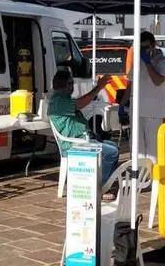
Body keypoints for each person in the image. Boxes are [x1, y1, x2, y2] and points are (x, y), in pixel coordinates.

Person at [49, 70, 120, 199]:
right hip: (75, 144)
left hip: (83, 140)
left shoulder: (63, 99)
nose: (73, 86)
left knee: (113, 146)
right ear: (63, 85)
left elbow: (80, 103)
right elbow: (81, 103)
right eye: (70, 83)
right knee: (111, 153)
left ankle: (104, 184)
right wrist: (99, 87)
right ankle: (99, 189)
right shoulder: (59, 101)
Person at [121, 31, 165, 163]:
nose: (144, 50)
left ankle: (153, 179)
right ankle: (139, 179)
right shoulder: (137, 63)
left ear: (154, 45)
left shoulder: (163, 62)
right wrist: (122, 105)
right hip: (136, 110)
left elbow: (157, 81)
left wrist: (148, 63)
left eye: (146, 47)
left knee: (152, 150)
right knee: (137, 148)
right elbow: (129, 87)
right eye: (141, 48)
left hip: (153, 112)